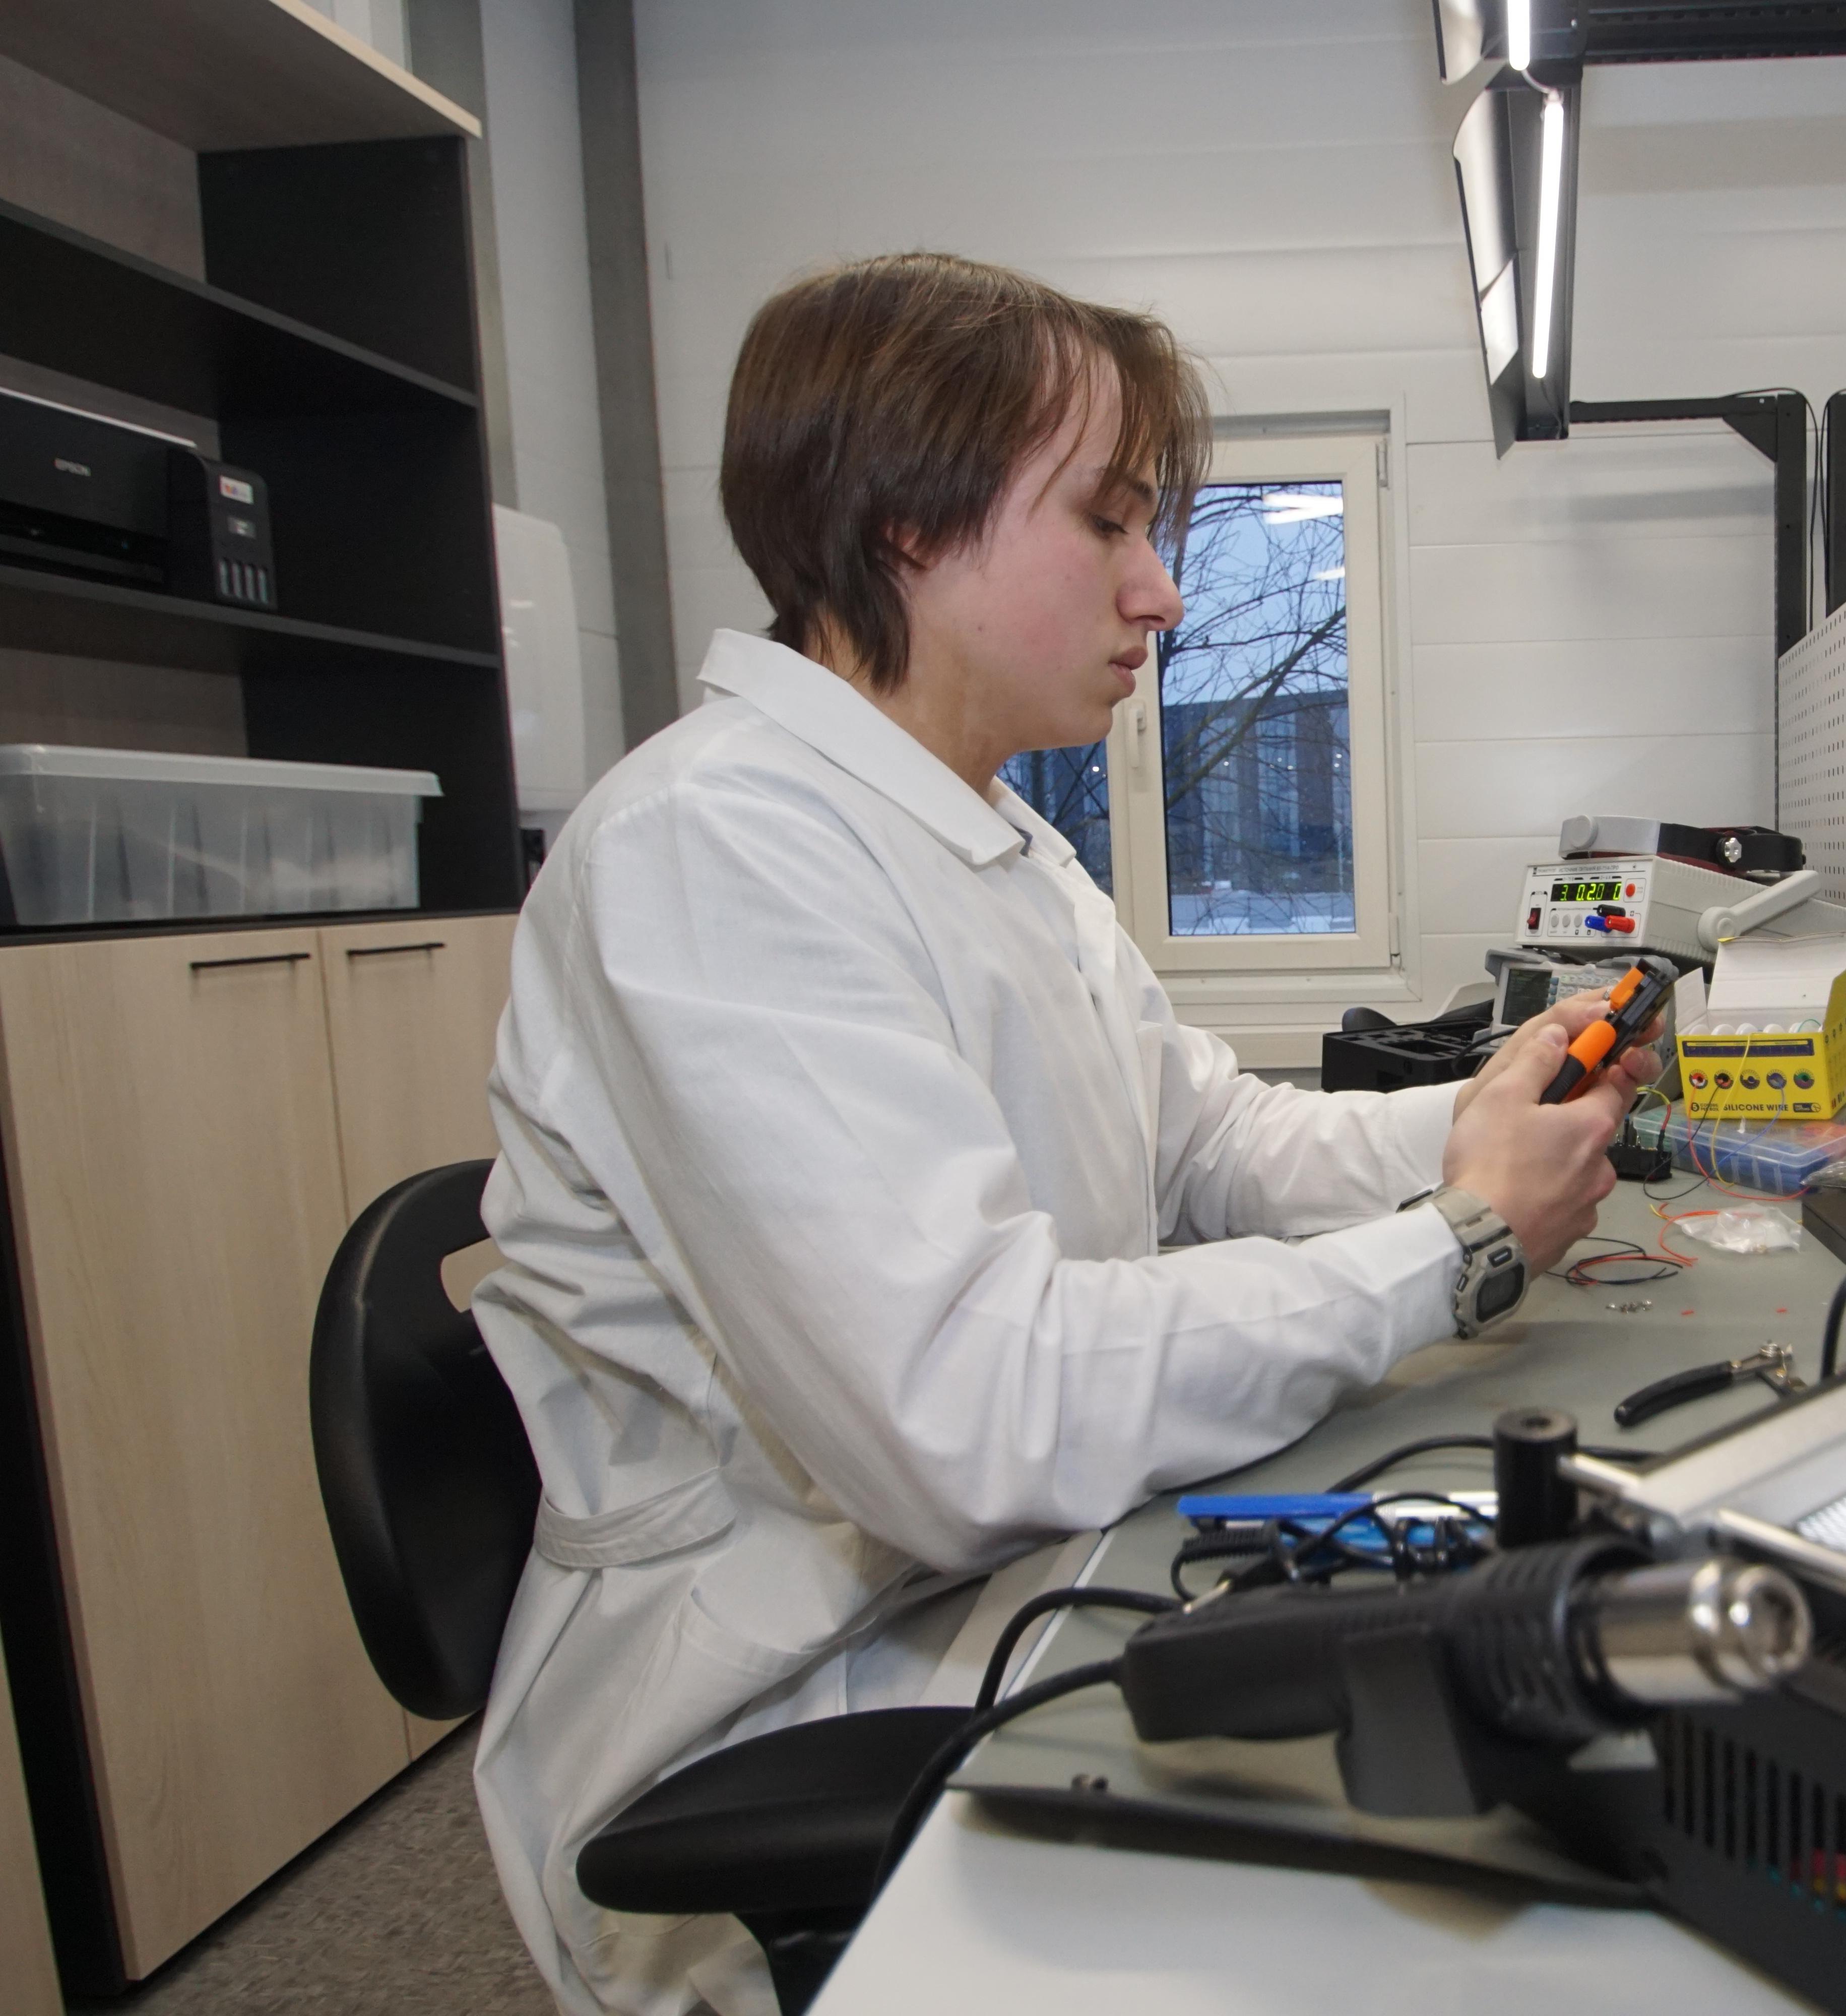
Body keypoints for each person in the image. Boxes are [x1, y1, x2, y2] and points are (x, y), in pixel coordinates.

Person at [467, 253, 1653, 2016]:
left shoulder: (999, 844)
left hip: (992, 1565)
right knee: (1456, 1851)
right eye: (1107, 522)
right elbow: (968, 1405)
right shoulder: (713, 847)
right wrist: (1457, 1246)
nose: (1160, 589)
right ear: (906, 523)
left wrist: (1474, 1125)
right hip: (793, 1672)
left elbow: (1208, 1144)